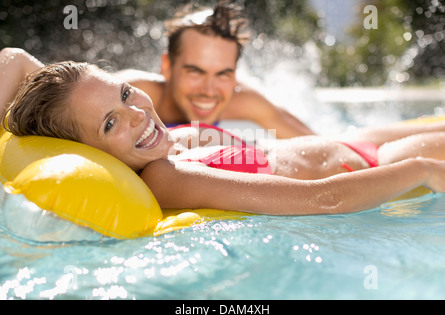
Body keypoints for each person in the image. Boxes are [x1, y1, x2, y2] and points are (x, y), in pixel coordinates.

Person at [3, 50, 445, 217]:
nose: (136, 113)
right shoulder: (165, 177)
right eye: (110, 123)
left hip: (347, 141)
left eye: (123, 93)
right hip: (370, 165)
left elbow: (16, 60)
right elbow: (323, 200)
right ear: (87, 151)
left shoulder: (152, 143)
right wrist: (420, 169)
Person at [114, 1, 445, 146]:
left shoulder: (244, 102)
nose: (210, 90)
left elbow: (324, 145)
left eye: (224, 73)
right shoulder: (132, 94)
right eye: (195, 71)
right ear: (167, 67)